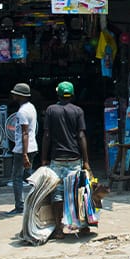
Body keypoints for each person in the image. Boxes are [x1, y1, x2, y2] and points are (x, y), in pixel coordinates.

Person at [41, 81, 91, 240]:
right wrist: (86, 161)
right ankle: (83, 227)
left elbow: (47, 135)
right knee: (79, 193)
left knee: (58, 195)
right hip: (75, 158)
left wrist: (43, 158)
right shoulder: (78, 111)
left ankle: (58, 229)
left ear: (58, 94)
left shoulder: (50, 110)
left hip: (57, 159)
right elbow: (81, 136)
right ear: (72, 94)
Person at [4, 83, 38, 216]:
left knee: (17, 177)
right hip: (32, 146)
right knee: (29, 176)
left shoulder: (22, 112)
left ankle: (19, 206)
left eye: (15, 94)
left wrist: (24, 154)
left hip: (22, 149)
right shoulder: (31, 107)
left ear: (20, 96)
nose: (12, 95)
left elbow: (25, 133)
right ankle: (36, 200)